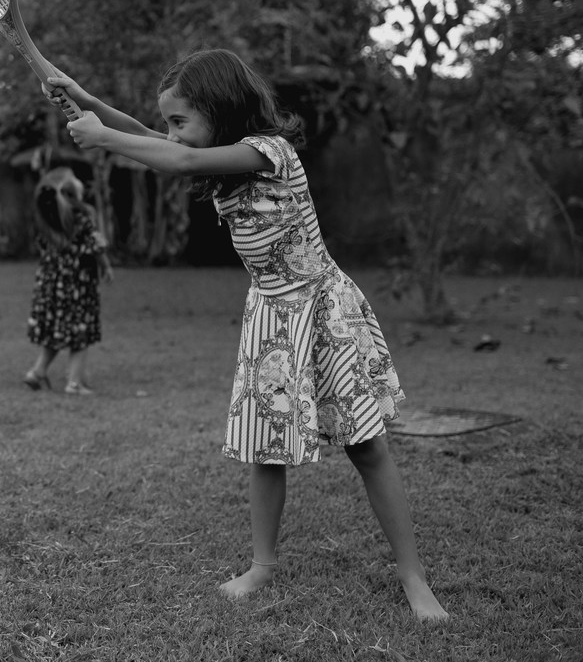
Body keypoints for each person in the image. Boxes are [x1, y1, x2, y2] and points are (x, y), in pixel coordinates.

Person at [51, 49, 449, 622]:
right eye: (170, 123)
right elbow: (155, 140)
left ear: (221, 110)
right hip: (270, 317)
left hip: (321, 309)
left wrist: (105, 139)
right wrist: (91, 104)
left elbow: (175, 161)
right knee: (265, 447)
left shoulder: (268, 152)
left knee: (367, 446)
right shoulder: (217, 158)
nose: (171, 133)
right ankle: (263, 564)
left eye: (180, 120)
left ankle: (413, 575)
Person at [24, 166, 113, 395]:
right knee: (79, 333)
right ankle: (74, 383)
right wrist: (106, 267)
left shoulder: (45, 220)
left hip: (50, 286)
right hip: (77, 285)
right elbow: (96, 246)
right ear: (70, 190)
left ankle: (37, 372)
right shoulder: (82, 216)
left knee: (57, 331)